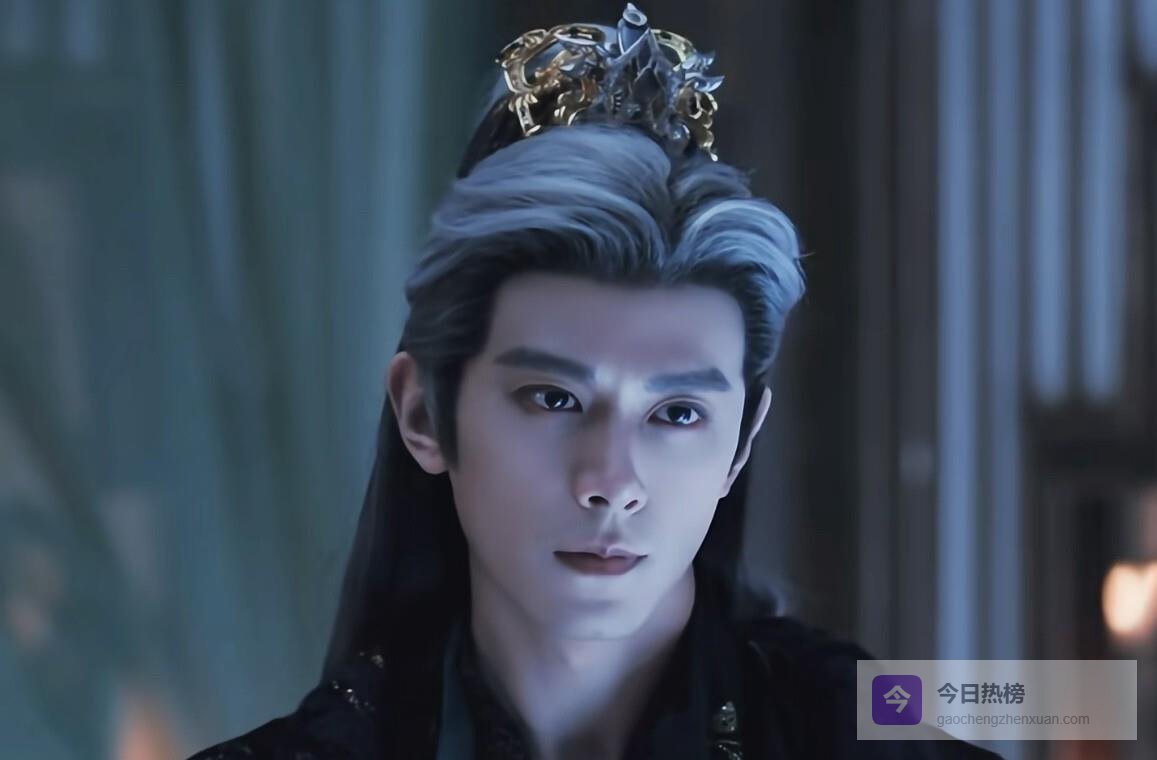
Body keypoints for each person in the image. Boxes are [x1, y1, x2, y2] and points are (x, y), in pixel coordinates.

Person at [190, 5, 1002, 759]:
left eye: (676, 412)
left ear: (740, 443)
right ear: (423, 414)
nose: (611, 481)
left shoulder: (865, 724)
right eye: (553, 399)